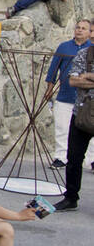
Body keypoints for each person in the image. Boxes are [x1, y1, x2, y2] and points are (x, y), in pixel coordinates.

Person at [44, 19, 93, 168]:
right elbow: (53, 69)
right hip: (65, 95)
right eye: (78, 27)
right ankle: (61, 157)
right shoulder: (64, 47)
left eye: (84, 28)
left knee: (89, 127)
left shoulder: (90, 49)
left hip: (86, 99)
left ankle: (91, 159)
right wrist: (49, 88)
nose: (80, 30)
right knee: (62, 128)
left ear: (89, 32)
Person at [54, 36, 94, 211]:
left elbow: (81, 79)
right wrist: (82, 79)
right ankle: (71, 197)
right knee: (74, 158)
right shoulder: (84, 54)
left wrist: (89, 76)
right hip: (81, 114)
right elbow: (72, 80)